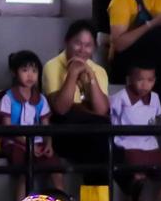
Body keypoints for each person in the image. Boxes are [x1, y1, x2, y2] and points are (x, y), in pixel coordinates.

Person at [44, 20, 112, 189]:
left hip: (91, 136)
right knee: (104, 141)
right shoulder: (52, 66)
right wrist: (73, 74)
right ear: (67, 42)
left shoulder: (98, 70)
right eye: (78, 43)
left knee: (101, 147)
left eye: (88, 45)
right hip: (63, 133)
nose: (82, 50)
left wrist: (92, 77)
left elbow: (102, 109)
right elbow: (60, 109)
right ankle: (127, 182)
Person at [110, 63, 161, 201]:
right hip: (127, 144)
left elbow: (155, 119)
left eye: (150, 80)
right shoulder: (120, 98)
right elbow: (111, 120)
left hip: (150, 146)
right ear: (130, 79)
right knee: (138, 177)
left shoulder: (155, 98)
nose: (145, 84)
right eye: (140, 80)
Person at [0, 51, 63, 201]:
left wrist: (48, 144)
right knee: (25, 172)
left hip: (38, 143)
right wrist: (28, 145)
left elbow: (46, 127)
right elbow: (8, 128)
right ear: (15, 72)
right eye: (25, 70)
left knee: (56, 170)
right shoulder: (7, 98)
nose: (30, 75)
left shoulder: (41, 99)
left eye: (34, 71)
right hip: (15, 142)